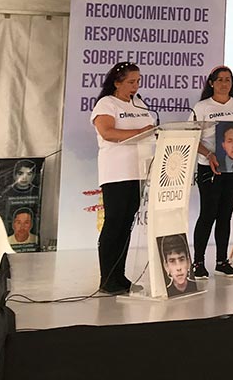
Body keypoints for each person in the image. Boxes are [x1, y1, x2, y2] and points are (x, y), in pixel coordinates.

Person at [91, 61, 155, 294]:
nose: (135, 86)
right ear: (117, 82)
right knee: (114, 223)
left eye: (138, 81)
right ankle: (107, 278)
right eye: (131, 82)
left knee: (126, 224)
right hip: (116, 173)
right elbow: (107, 132)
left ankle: (120, 276)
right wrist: (139, 132)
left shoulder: (139, 104)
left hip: (138, 172)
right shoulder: (106, 103)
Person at [188, 65, 233, 279]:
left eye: (228, 79)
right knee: (208, 214)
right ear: (211, 83)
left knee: (225, 215)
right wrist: (209, 154)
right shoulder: (202, 106)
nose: (224, 83)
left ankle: (222, 260)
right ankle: (198, 262)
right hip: (210, 167)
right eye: (220, 80)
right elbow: (192, 138)